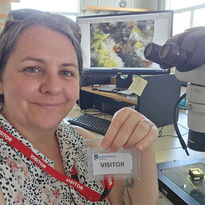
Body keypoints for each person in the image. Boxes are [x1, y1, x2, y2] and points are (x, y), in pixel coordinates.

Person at [0, 9, 159, 205]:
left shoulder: (78, 140)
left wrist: (140, 145)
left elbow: (125, 200)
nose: (53, 87)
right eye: (32, 69)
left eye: (66, 72)